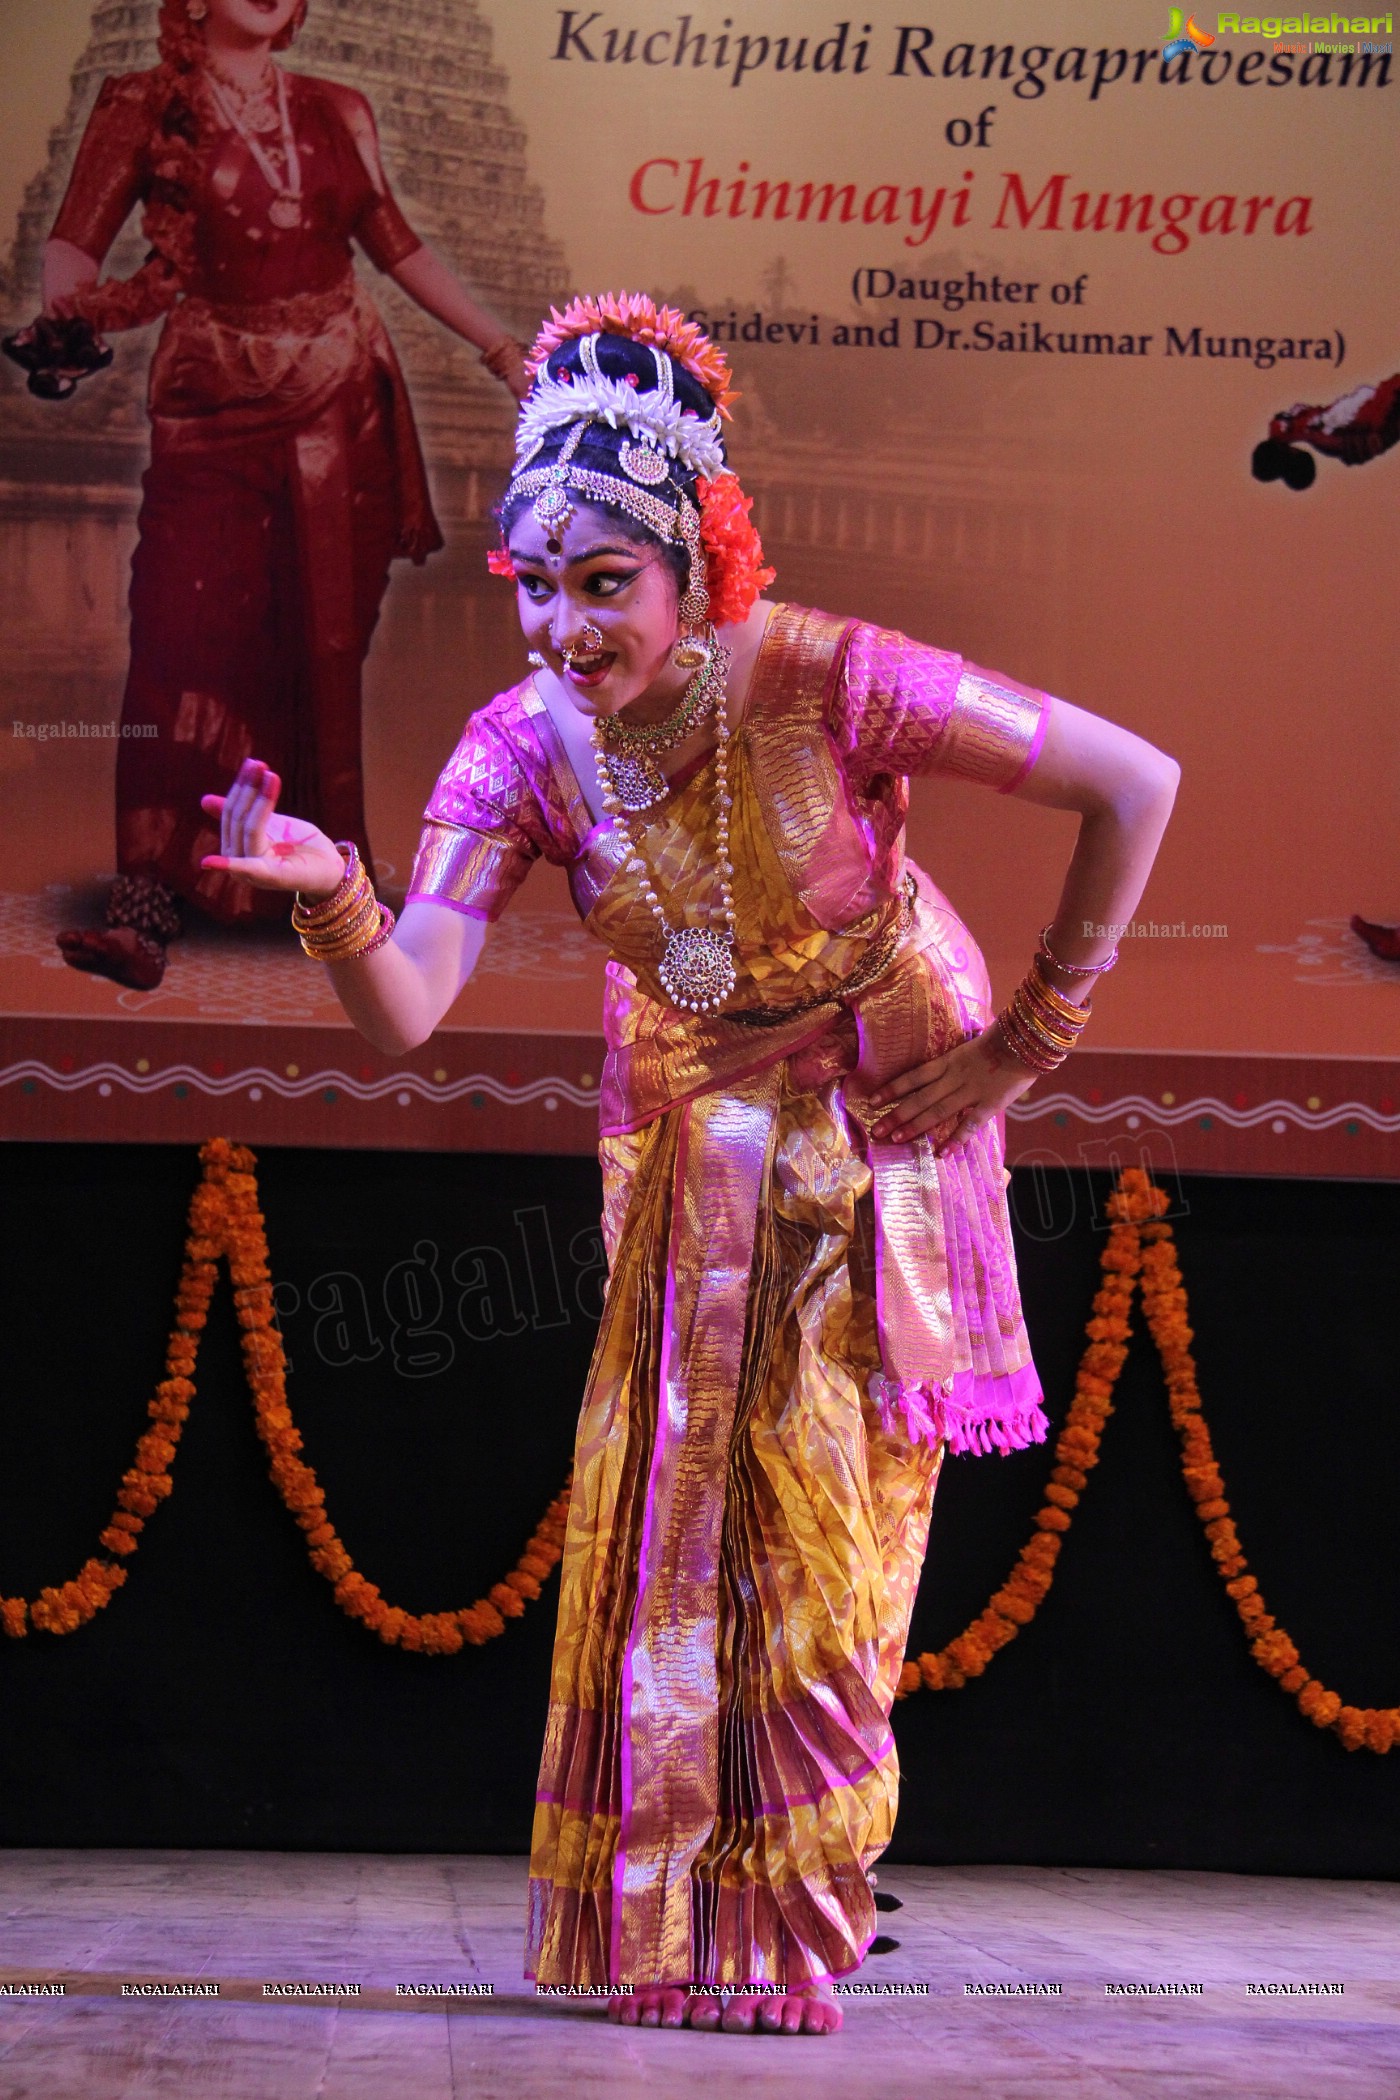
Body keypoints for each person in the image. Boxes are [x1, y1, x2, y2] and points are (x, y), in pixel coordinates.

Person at [202, 294, 1180, 2036]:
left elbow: (1133, 779)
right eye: (536, 580)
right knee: (685, 1514)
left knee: (837, 1523)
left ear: (697, 562)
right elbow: (409, 1007)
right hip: (696, 1134)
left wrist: (1029, 1040)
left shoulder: (825, 673)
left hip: (881, 1108)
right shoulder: (520, 746)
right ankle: (681, 1920)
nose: (566, 625)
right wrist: (328, 892)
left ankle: (793, 1908)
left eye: (607, 583)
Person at [11, 0, 530, 991]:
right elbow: (78, 241)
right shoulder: (141, 105)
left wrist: (500, 348)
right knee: (177, 630)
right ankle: (145, 900)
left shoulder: (336, 108)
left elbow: (396, 243)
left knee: (320, 637)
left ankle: (327, 883)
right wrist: (65, 315)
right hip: (210, 392)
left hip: (339, 399)